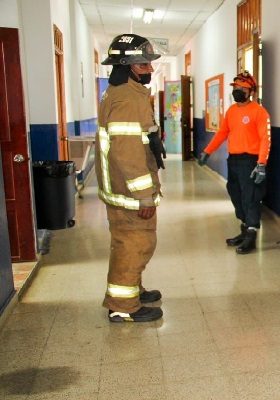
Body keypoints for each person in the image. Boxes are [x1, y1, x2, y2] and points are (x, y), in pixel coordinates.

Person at [95, 33, 166, 323]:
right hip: (129, 191)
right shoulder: (126, 98)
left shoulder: (127, 92)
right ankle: (123, 305)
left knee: (131, 242)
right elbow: (127, 152)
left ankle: (132, 290)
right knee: (135, 243)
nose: (150, 68)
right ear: (127, 66)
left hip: (123, 186)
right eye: (143, 64)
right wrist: (144, 195)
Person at [197, 71, 271, 254]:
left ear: (251, 92)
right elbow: (222, 133)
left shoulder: (259, 112)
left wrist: (261, 164)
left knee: (251, 198)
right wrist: (207, 151)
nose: (237, 91)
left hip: (251, 162)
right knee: (236, 195)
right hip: (234, 161)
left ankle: (251, 237)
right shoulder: (231, 111)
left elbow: (265, 139)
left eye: (242, 89)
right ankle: (244, 229)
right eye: (235, 88)